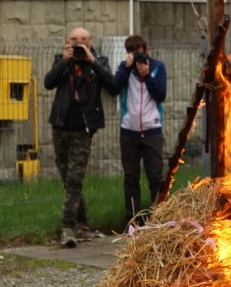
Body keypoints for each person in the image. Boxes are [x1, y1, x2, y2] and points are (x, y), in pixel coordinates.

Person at [43, 27, 116, 248]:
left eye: (83, 40)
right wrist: (63, 62)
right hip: (60, 126)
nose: (79, 44)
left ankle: (68, 228)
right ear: (68, 42)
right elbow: (48, 83)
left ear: (90, 41)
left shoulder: (98, 62)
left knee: (75, 180)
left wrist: (93, 61)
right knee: (67, 177)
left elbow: (113, 86)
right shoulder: (62, 61)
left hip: (84, 129)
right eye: (75, 40)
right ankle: (83, 224)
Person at [114, 35, 167, 222]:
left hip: (152, 130)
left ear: (147, 51)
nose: (136, 56)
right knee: (131, 178)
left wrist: (147, 76)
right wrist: (127, 69)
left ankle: (159, 218)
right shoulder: (124, 69)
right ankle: (133, 220)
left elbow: (161, 95)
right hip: (129, 131)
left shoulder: (158, 67)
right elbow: (114, 88)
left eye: (139, 52)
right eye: (131, 52)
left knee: (155, 176)